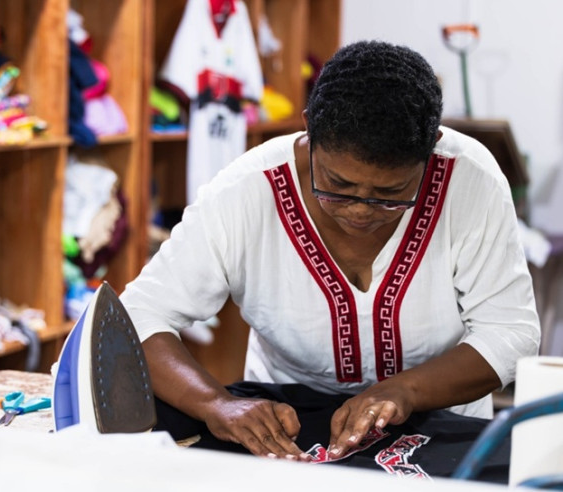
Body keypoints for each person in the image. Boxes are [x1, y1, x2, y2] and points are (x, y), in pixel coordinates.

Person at [119, 40, 540, 464]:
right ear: (309, 129)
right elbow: (137, 315)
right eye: (337, 186)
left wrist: (405, 390)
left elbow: (511, 333)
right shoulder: (247, 190)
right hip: (287, 428)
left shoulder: (472, 181)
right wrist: (215, 403)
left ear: (431, 147)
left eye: (390, 194)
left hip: (441, 426)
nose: (360, 211)